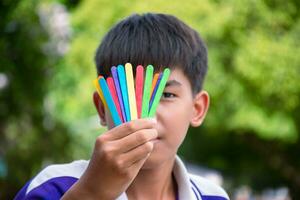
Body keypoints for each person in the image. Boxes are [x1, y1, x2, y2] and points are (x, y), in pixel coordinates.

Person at [15, 13, 229, 200]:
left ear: (197, 108)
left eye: (166, 94)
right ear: (101, 108)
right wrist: (91, 193)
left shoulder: (213, 196)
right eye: (128, 94)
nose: (147, 115)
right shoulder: (51, 188)